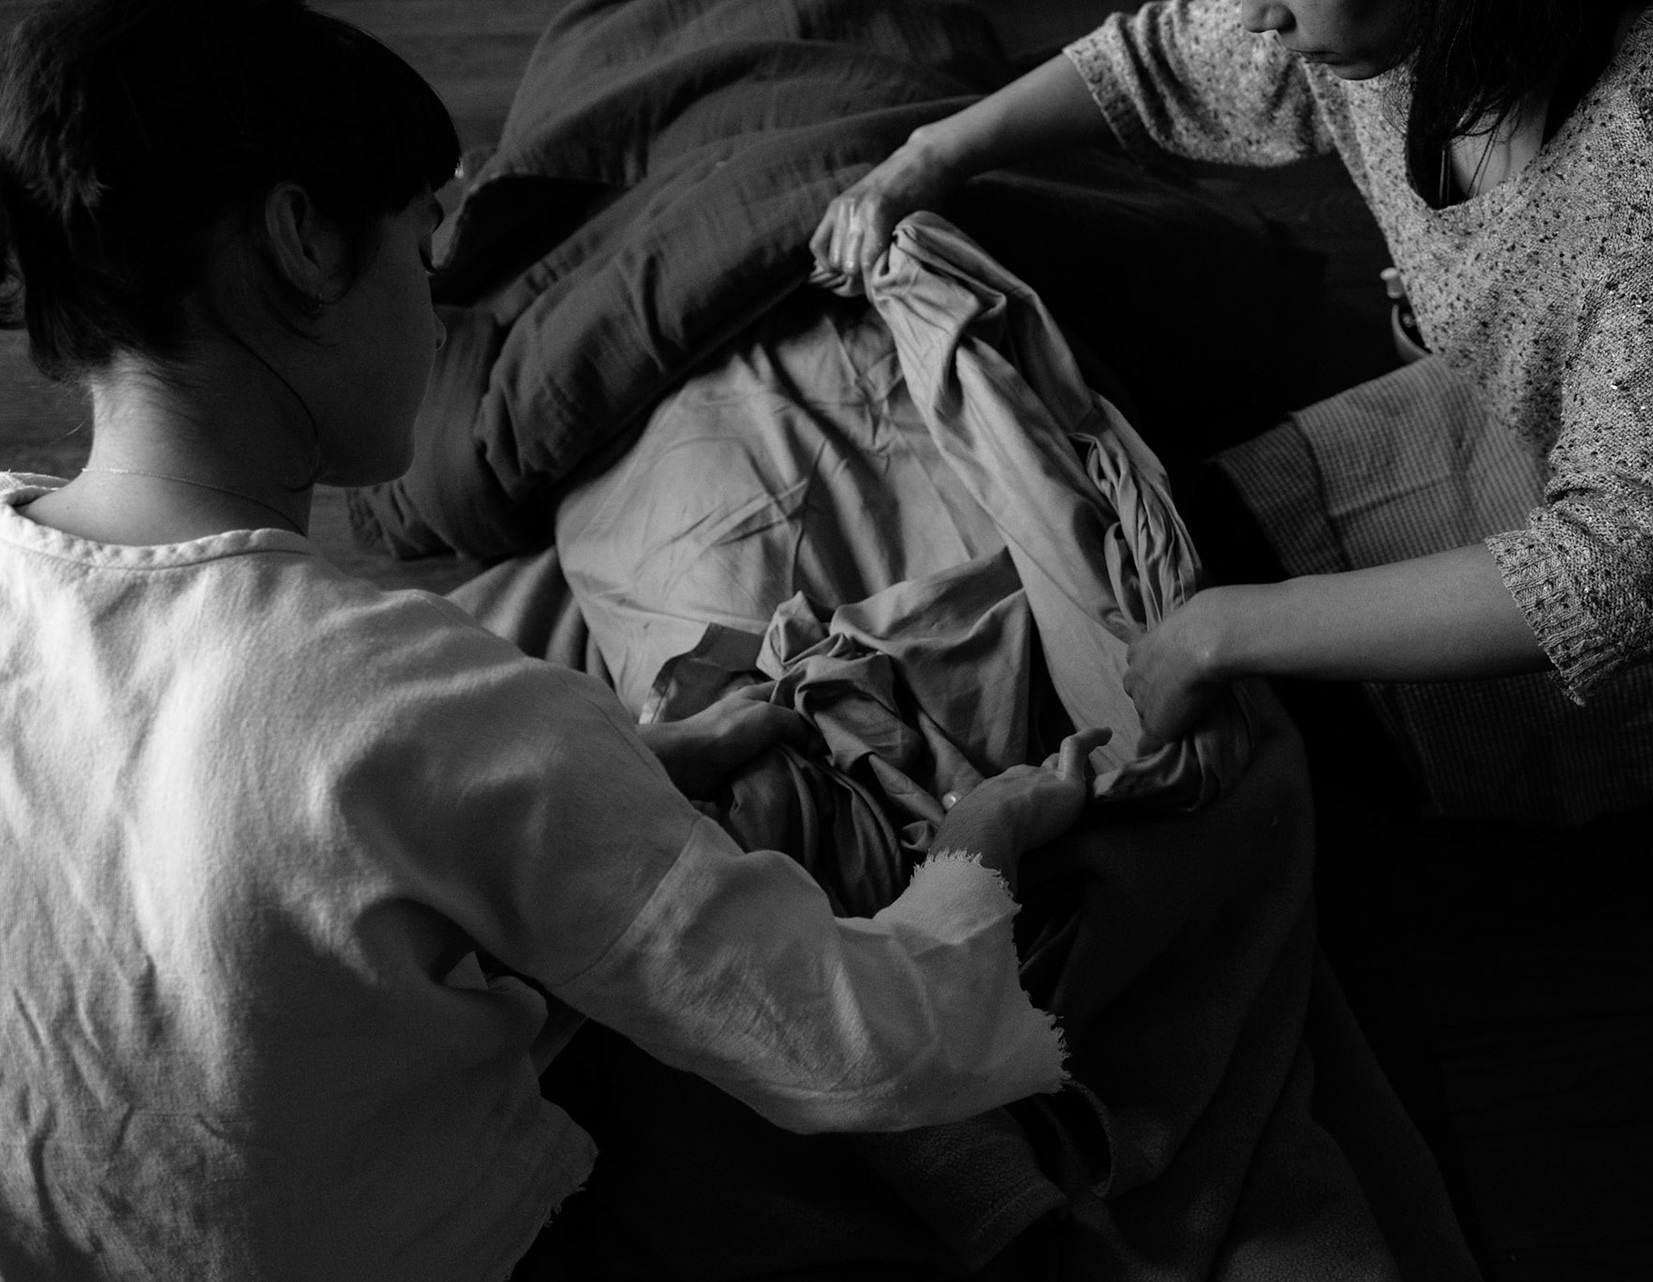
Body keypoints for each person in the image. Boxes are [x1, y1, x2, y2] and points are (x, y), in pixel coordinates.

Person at [0, 2, 1109, 1277]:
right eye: (422, 246)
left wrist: (603, 774)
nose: (437, 317)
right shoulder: (421, 697)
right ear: (300, 242)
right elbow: (875, 1048)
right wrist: (978, 850)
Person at [811, 0, 1653, 758]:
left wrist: (1223, 633)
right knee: (1200, 547)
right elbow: (1159, 62)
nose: (1255, 16)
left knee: (1304, 721)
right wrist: (926, 158)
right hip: (1535, 410)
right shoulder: (1372, 21)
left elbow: (1622, 569)